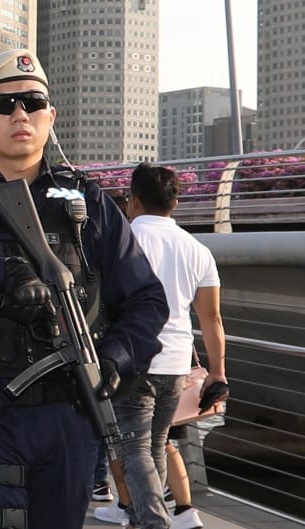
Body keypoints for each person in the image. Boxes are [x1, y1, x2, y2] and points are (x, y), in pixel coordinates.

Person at [0, 49, 169, 528]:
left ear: (50, 116)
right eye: (1, 106)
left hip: (71, 413)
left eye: (32, 102)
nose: (20, 114)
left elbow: (146, 300)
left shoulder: (86, 203)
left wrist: (115, 362)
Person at [93, 163, 230, 529]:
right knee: (154, 445)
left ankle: (155, 522)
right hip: (176, 365)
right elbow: (211, 318)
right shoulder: (197, 249)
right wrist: (217, 373)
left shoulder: (118, 242)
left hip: (128, 359)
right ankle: (142, 519)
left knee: (133, 448)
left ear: (133, 201)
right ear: (176, 201)